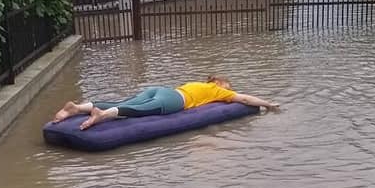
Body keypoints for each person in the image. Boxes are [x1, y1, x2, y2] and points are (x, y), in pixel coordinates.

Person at [52, 75, 279, 130]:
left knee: (122, 100)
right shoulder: (218, 91)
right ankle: (102, 115)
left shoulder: (198, 83)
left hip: (161, 89)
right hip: (174, 100)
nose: (231, 90)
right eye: (229, 85)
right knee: (138, 111)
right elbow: (247, 99)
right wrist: (269, 104)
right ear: (220, 83)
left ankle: (77, 108)